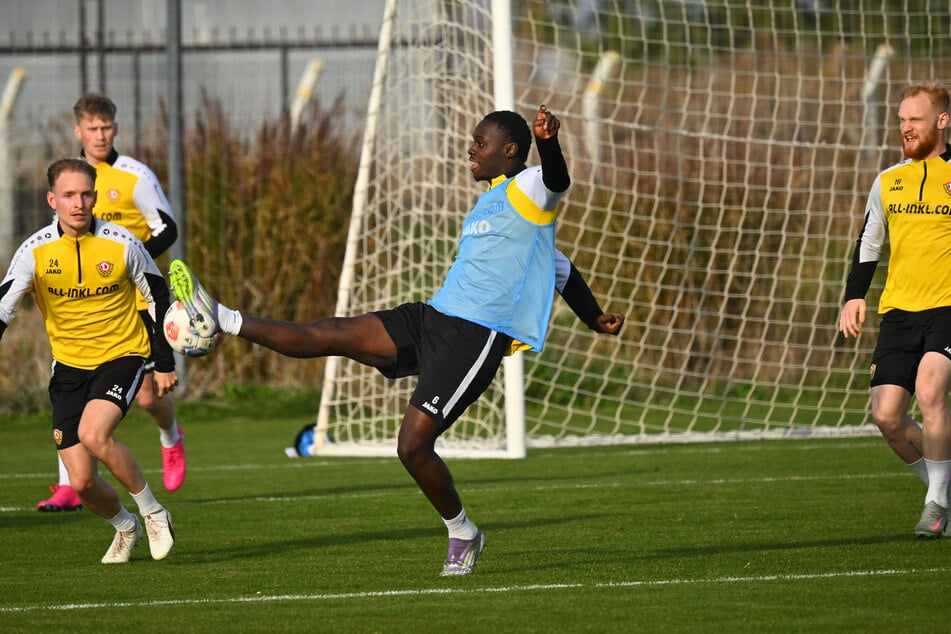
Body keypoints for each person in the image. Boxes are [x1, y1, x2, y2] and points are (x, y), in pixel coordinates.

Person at [168, 105, 624, 576]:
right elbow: (560, 267)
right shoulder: (492, 199)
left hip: (474, 339)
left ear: (510, 151)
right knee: (331, 333)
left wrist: (548, 142)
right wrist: (595, 317)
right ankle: (223, 316)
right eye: (472, 139)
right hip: (431, 319)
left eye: (481, 142)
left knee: (411, 447)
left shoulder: (531, 186)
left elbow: (557, 182)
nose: (471, 148)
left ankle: (463, 532)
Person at [0, 158, 176, 562]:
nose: (78, 203)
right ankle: (125, 527)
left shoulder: (124, 243)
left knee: (96, 435)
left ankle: (153, 513)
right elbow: (4, 307)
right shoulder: (34, 251)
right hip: (68, 370)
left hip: (123, 355)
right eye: (68, 195)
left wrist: (163, 362)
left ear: (95, 196)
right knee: (80, 482)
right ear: (52, 200)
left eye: (85, 194)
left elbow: (156, 297)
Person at [36, 93, 186, 512]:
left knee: (148, 396)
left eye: (107, 128)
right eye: (93, 128)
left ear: (115, 129)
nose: (101, 136)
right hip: (91, 300)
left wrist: (126, 257)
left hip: (135, 290)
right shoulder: (73, 179)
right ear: (78, 131)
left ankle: (170, 437)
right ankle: (71, 483)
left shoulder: (135, 176)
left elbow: (168, 228)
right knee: (68, 377)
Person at [838, 82, 951, 539]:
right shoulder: (887, 180)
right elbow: (869, 243)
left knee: (929, 392)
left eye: (916, 119)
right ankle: (942, 492)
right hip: (899, 311)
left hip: (948, 306)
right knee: (886, 415)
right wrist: (853, 295)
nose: (906, 127)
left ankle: (936, 506)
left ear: (942, 121)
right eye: (902, 119)